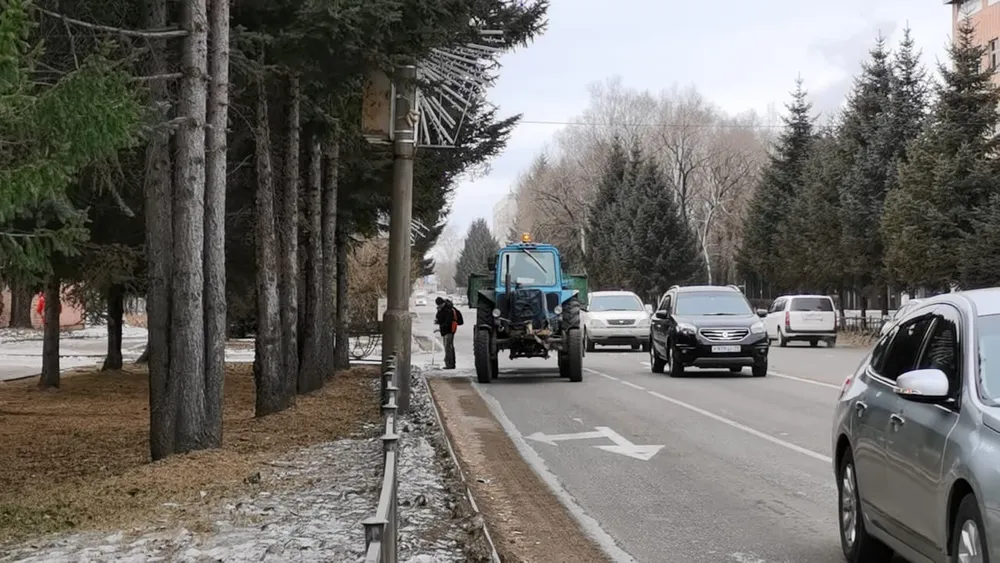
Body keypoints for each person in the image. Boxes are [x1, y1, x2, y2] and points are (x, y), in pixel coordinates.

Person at [435, 297, 457, 369]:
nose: (439, 306)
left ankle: (450, 364)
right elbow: (438, 318)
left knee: (448, 347)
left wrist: (440, 327)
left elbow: (448, 322)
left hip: (449, 330)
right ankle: (450, 363)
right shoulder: (442, 309)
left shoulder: (448, 310)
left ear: (443, 303)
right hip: (445, 331)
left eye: (440, 305)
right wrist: (439, 311)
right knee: (448, 347)